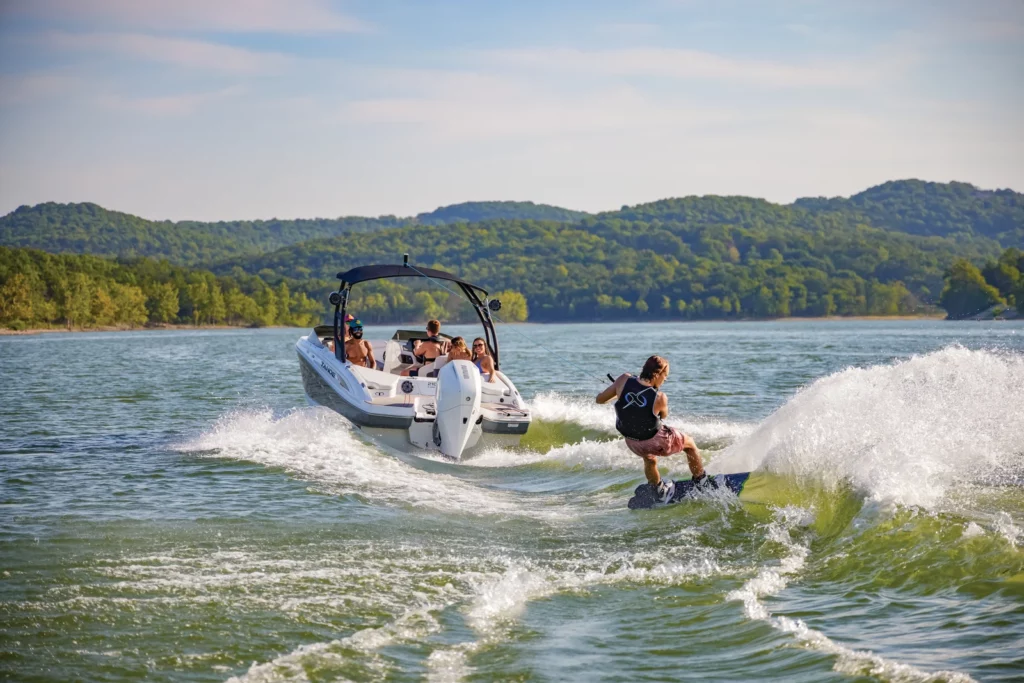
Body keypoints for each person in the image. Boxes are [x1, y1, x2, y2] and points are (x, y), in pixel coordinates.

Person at [595, 355, 706, 502]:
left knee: (649, 458)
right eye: (665, 376)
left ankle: (657, 488)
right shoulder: (659, 397)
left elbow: (600, 399)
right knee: (690, 444)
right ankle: (701, 481)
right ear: (657, 374)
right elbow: (663, 415)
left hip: (633, 443)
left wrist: (618, 393)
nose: (665, 380)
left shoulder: (623, 379)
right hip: (657, 441)